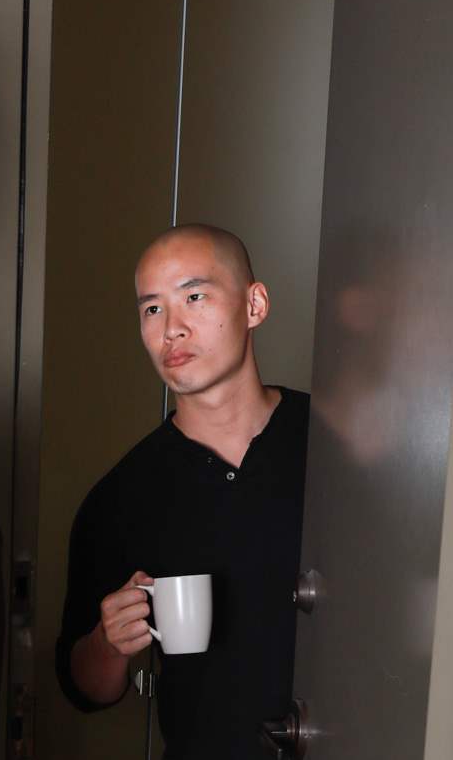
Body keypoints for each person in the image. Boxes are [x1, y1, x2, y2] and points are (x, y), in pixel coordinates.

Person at [55, 224, 309, 758]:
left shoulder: (332, 442)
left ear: (254, 305)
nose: (172, 329)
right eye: (152, 309)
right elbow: (83, 688)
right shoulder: (119, 498)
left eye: (194, 297)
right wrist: (108, 643)